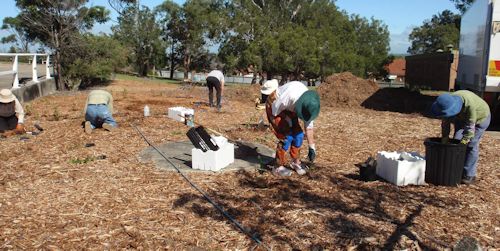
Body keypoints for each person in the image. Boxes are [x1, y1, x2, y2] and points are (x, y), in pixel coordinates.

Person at [430, 90, 491, 184]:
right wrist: (445, 140)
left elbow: (470, 129)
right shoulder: (447, 103)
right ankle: (456, 170)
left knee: (471, 145)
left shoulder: (470, 106)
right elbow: (446, 125)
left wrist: (463, 143)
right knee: (456, 141)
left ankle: (469, 175)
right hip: (461, 118)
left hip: (480, 119)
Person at [266, 81, 320, 176]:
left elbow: (309, 128)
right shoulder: (288, 97)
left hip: (290, 108)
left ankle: (296, 162)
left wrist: (312, 147)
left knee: (298, 135)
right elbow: (275, 112)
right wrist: (287, 120)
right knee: (286, 137)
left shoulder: (310, 106)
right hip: (275, 106)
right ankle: (278, 166)